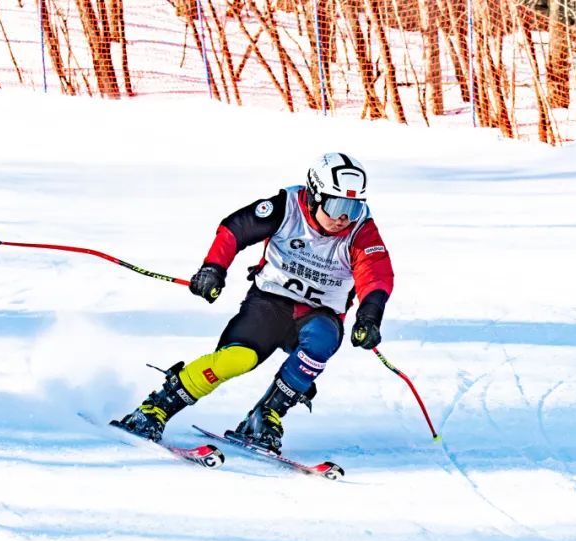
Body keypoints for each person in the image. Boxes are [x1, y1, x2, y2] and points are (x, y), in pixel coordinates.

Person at [111, 152, 394, 454]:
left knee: (323, 340)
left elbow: (376, 275)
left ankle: (266, 416)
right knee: (237, 359)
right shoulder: (286, 208)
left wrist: (369, 317)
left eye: (354, 207)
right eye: (338, 205)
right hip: (268, 304)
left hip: (318, 315)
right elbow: (234, 229)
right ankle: (157, 407)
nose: (344, 218)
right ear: (314, 196)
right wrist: (213, 269)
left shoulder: (361, 230)